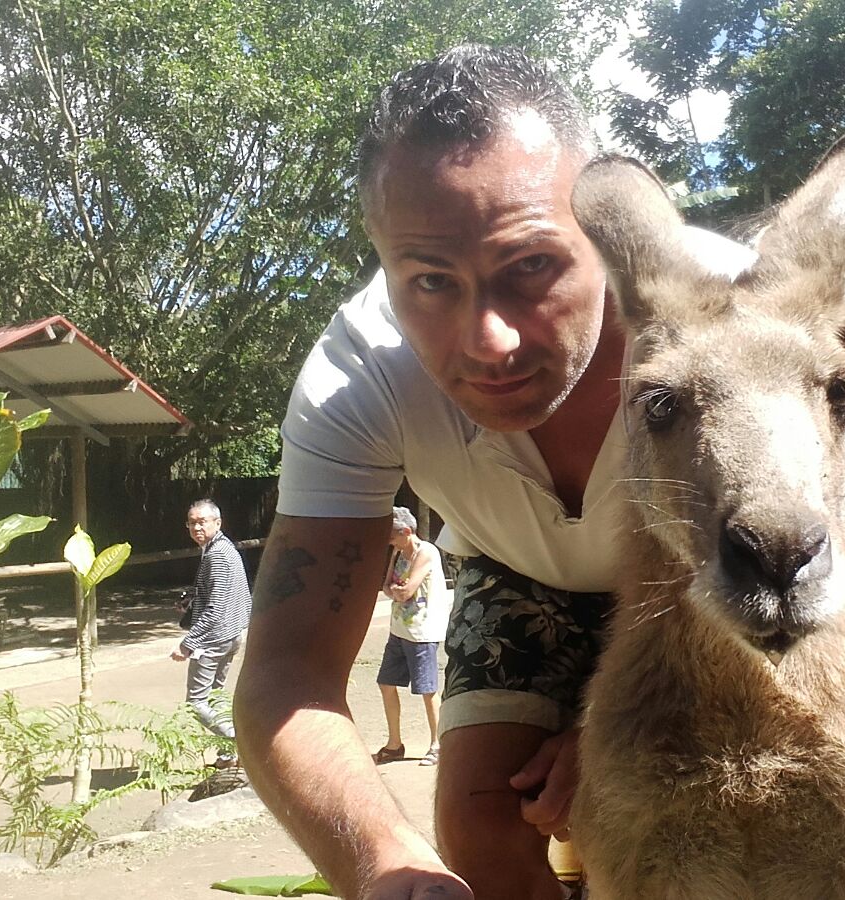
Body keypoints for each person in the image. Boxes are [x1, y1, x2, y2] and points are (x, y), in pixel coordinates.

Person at [234, 44, 749, 900]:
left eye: (533, 267)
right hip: (513, 570)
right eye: (432, 281)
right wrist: (384, 869)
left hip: (703, 574)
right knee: (478, 823)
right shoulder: (358, 377)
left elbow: (820, 565)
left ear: (606, 239)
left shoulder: (726, 315)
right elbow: (286, 678)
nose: (490, 343)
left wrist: (634, 725)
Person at [172, 499, 253, 766]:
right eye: (192, 522)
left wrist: (188, 643)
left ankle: (233, 740)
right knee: (216, 697)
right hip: (231, 635)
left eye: (202, 521)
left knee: (196, 703)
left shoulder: (217, 555)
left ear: (217, 523)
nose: (197, 527)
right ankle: (228, 755)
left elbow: (217, 607)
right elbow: (228, 595)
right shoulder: (222, 548)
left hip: (215, 639)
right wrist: (192, 599)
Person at [372, 506, 449, 767]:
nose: (388, 540)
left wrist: (397, 590)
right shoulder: (398, 551)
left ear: (406, 531)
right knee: (386, 683)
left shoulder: (426, 552)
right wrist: (396, 590)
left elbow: (407, 591)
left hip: (422, 632)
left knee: (427, 690)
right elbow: (387, 587)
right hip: (399, 629)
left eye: (392, 535)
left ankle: (437, 744)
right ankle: (394, 745)